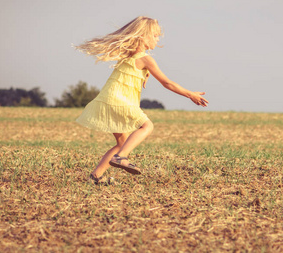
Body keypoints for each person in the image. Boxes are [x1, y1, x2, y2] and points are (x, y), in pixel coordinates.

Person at [74, 16, 208, 184]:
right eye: (155, 35)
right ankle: (121, 158)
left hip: (107, 99)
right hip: (120, 101)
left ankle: (95, 177)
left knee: (121, 143)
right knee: (147, 126)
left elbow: (133, 71)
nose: (157, 39)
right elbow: (167, 83)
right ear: (143, 36)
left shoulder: (128, 56)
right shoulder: (146, 59)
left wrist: (146, 73)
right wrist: (191, 94)